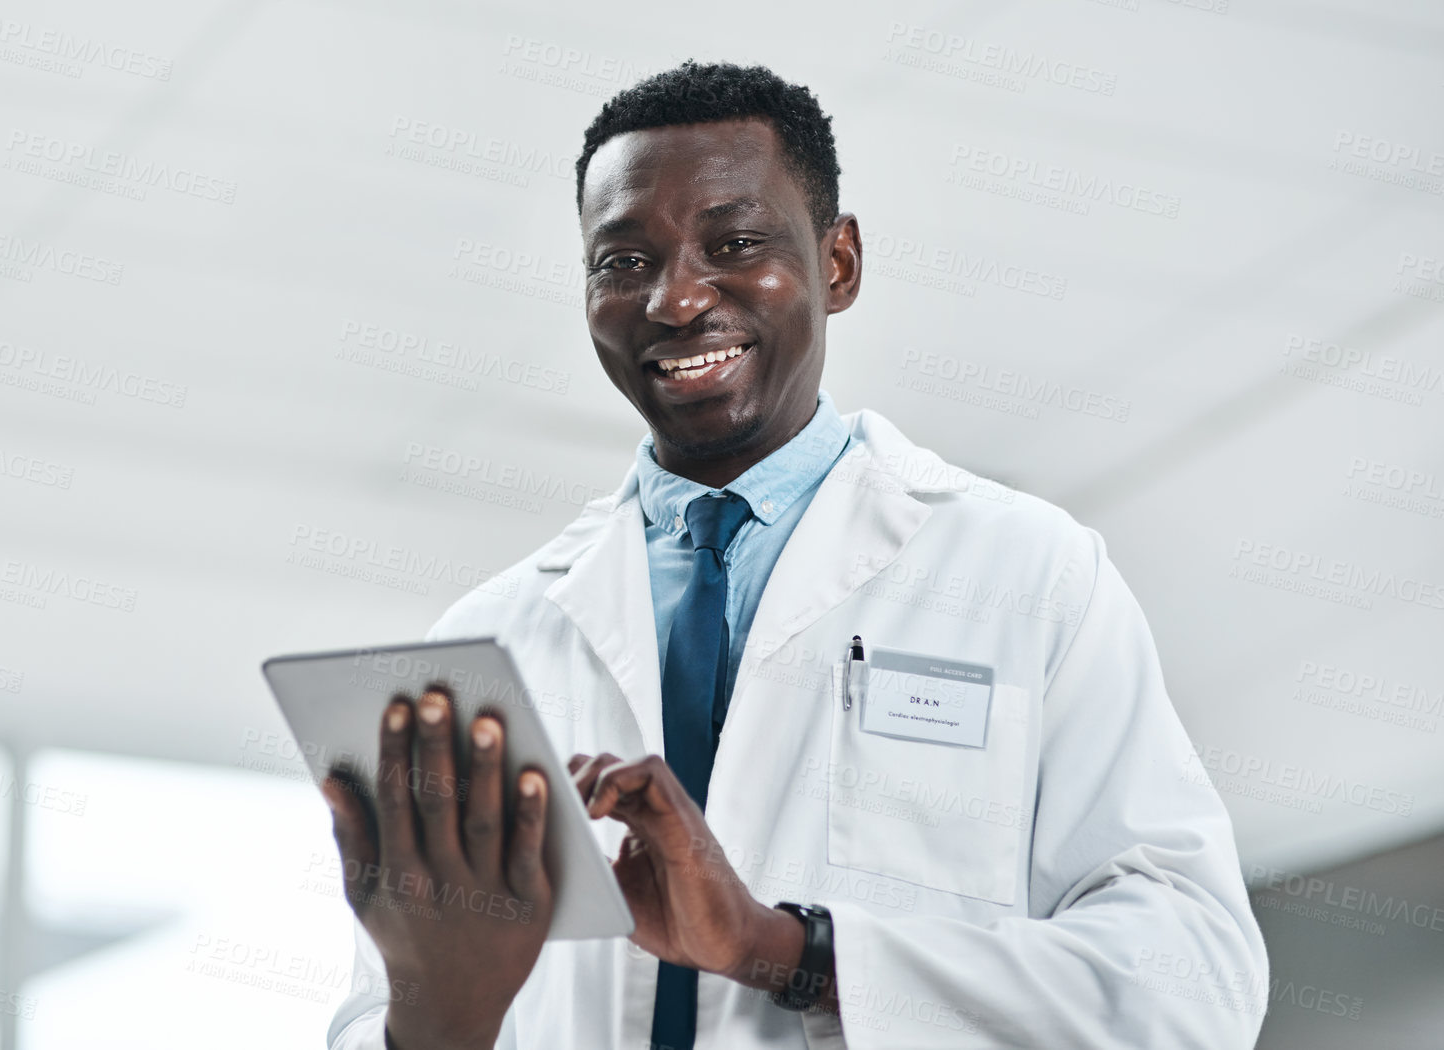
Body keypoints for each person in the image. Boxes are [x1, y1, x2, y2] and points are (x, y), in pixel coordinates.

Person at [318, 60, 1267, 1050]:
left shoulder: (1027, 575)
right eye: (623, 262)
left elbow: (1190, 983)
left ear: (839, 263)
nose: (675, 302)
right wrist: (440, 1015)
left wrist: (781, 948)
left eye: (733, 244)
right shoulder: (488, 637)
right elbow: (373, 1022)